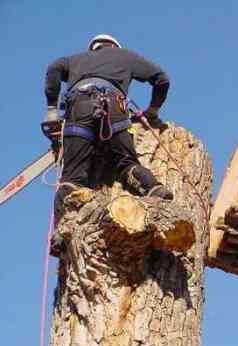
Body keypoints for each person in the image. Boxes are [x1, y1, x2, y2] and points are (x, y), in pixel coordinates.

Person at [44, 34, 174, 252]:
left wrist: (51, 109)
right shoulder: (126, 57)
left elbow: (53, 68)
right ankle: (154, 189)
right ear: (114, 46)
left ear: (93, 48)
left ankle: (62, 231)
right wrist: (152, 111)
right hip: (115, 109)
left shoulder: (74, 60)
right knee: (126, 163)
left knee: (72, 176)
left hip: (79, 108)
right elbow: (162, 79)